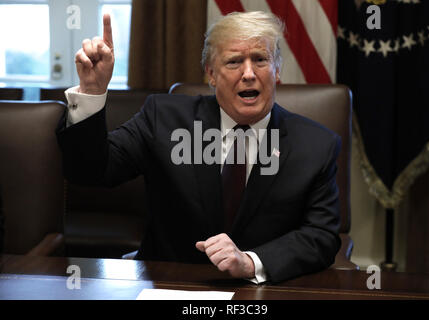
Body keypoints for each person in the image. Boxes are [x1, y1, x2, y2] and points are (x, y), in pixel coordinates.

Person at [56, 11, 341, 284]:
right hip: (171, 282)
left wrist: (252, 262)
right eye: (233, 62)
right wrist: (92, 93)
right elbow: (92, 172)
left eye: (260, 59)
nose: (249, 73)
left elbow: (322, 235)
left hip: (262, 288)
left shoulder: (316, 145)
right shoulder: (163, 118)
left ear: (277, 70)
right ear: (211, 74)